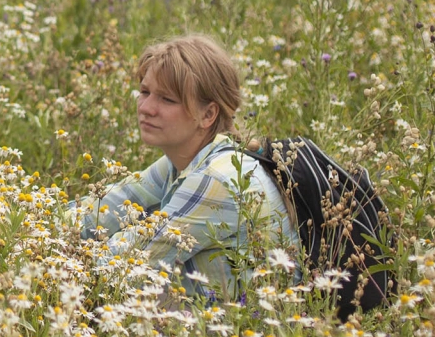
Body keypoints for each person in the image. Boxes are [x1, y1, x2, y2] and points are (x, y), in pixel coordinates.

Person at [71, 35, 301, 300]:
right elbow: (95, 214)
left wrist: (36, 250)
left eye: (167, 100)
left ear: (208, 115)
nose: (146, 108)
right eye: (145, 92)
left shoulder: (217, 178)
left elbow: (121, 265)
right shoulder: (184, 159)